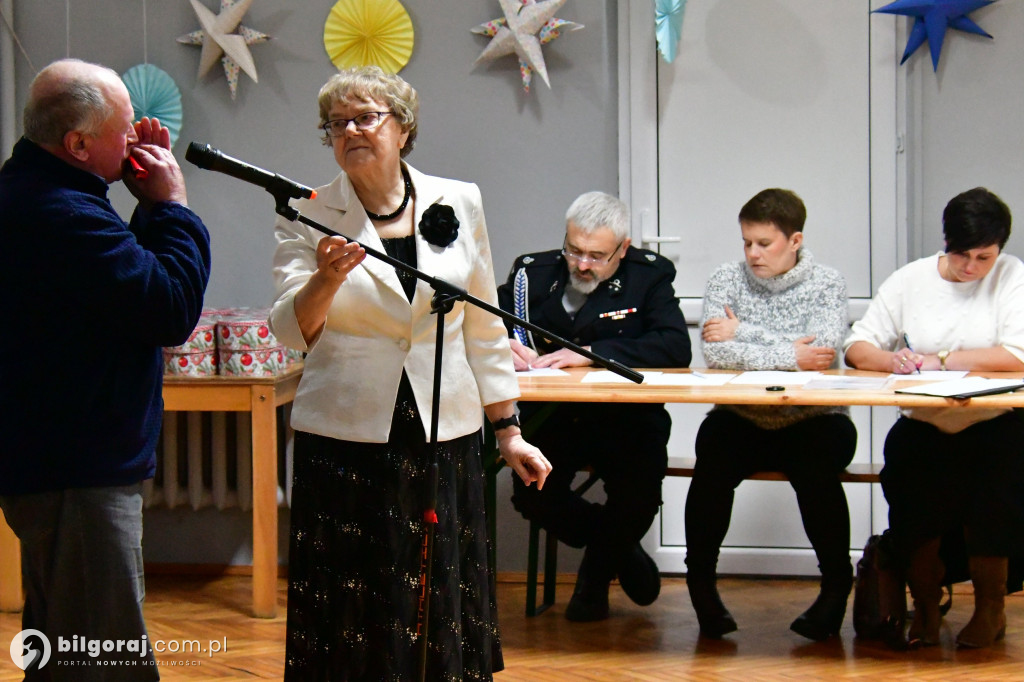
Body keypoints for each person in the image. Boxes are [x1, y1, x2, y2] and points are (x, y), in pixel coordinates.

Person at [268, 66, 551, 680]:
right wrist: (325, 277)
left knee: (434, 586)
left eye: (365, 117)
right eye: (336, 124)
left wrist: (509, 430)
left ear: (402, 127)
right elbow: (292, 331)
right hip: (344, 435)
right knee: (352, 593)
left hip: (439, 430)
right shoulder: (307, 211)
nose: (350, 131)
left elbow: (483, 323)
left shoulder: (459, 199)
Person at [0, 59, 210, 679]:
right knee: (107, 660)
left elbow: (123, 294)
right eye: (125, 132)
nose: (138, 142)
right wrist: (172, 206)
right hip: (76, 473)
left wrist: (149, 212)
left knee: (63, 650)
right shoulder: (62, 214)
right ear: (78, 144)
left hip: (57, 466)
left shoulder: (38, 193)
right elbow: (168, 309)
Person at [496, 191, 691, 622]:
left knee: (638, 496)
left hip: (626, 419)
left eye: (597, 256)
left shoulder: (649, 276)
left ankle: (593, 578)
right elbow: (492, 321)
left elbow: (676, 346)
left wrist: (594, 352)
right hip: (555, 416)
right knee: (533, 493)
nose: (582, 265)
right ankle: (621, 551)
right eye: (574, 251)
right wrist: (502, 345)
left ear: (623, 249)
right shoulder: (532, 272)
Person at [844, 187, 1024, 649]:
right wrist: (894, 361)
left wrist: (940, 358)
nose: (971, 268)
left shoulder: (1011, 276)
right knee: (915, 514)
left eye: (983, 257)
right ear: (945, 243)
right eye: (961, 255)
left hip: (992, 423)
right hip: (924, 425)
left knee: (994, 507)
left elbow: (1017, 355)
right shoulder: (910, 280)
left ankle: (990, 611)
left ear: (999, 248)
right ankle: (923, 609)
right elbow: (858, 346)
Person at [685, 189, 856, 641]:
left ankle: (837, 585)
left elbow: (821, 352)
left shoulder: (827, 282)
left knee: (818, 470)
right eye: (746, 242)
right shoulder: (726, 277)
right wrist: (788, 351)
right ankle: (700, 583)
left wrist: (745, 331)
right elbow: (716, 354)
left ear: (795, 240)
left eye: (764, 243)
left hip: (813, 417)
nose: (752, 254)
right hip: (742, 414)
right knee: (712, 462)